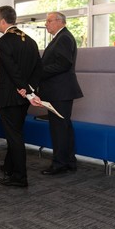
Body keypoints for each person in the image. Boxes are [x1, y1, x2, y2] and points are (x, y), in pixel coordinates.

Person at [0, 6, 42, 188]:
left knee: (14, 137)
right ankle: (9, 166)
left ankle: (20, 177)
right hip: (23, 97)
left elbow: (12, 70)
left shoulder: (3, 41)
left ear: (3, 21)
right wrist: (30, 90)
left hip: (9, 97)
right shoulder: (30, 41)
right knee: (16, 133)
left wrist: (24, 88)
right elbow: (39, 67)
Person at [36, 12, 83, 175]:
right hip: (59, 91)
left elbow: (63, 64)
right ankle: (69, 161)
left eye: (48, 21)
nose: (46, 24)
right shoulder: (61, 37)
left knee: (59, 129)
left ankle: (59, 164)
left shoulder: (63, 37)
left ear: (59, 22)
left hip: (60, 91)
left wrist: (39, 72)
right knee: (63, 127)